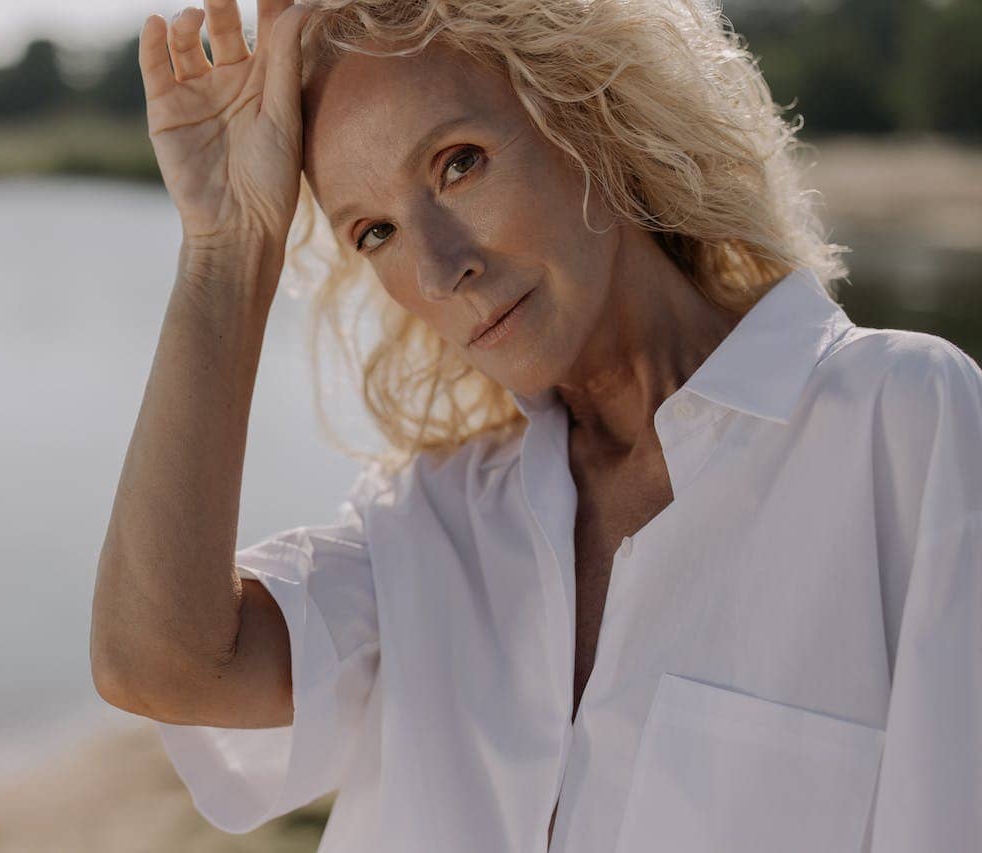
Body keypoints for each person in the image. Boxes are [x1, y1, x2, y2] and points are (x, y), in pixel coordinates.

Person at [89, 0, 982, 850]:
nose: (441, 270)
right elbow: (157, 664)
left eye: (459, 163)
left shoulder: (901, 422)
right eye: (374, 232)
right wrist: (230, 243)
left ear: (586, 107)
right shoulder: (428, 521)